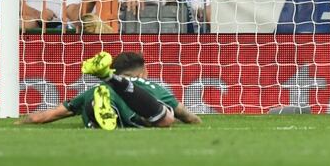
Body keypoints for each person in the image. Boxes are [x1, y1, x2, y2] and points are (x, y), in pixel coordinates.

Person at [19, 51, 201, 129]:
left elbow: (46, 116)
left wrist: (19, 123)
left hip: (100, 95)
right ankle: (126, 113)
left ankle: (99, 110)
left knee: (90, 107)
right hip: (146, 110)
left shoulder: (96, 89)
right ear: (144, 71)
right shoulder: (151, 86)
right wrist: (195, 122)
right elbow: (189, 117)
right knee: (166, 117)